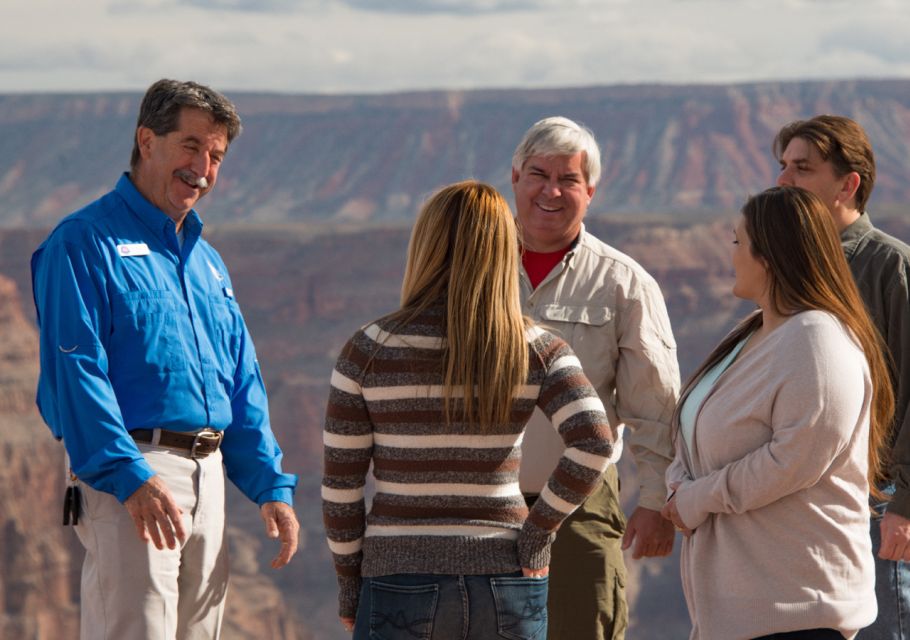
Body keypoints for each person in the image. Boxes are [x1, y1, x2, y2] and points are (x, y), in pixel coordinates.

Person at [31, 79, 300, 640]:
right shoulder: (82, 242)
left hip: (210, 473)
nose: (203, 167)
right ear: (146, 140)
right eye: (192, 146)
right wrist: (130, 476)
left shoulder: (207, 261)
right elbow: (77, 373)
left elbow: (241, 378)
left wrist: (271, 484)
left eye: (217, 155)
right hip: (136, 468)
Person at [321, 181, 616, 639]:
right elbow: (595, 440)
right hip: (504, 575)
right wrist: (538, 534)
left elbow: (342, 486)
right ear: (505, 250)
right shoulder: (536, 347)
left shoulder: (368, 350)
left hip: (398, 580)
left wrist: (348, 588)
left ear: (426, 246)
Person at [661, 186, 893, 639]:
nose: (730, 256)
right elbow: (695, 427)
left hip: (799, 612)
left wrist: (695, 498)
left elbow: (794, 460)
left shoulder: (818, 341)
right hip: (740, 613)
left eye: (737, 242)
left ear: (769, 256)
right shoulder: (755, 332)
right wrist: (678, 480)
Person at [510, 116, 681, 639]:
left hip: (579, 504)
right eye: (538, 174)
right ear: (514, 177)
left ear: (591, 191)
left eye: (568, 180)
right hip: (477, 500)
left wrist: (656, 502)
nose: (551, 191)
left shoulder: (623, 283)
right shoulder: (471, 270)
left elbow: (654, 404)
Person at [774, 115, 910, 639]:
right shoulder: (794, 270)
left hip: (880, 505)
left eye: (802, 168)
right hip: (809, 504)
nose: (784, 180)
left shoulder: (888, 267)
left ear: (848, 184)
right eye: (783, 166)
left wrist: (905, 504)